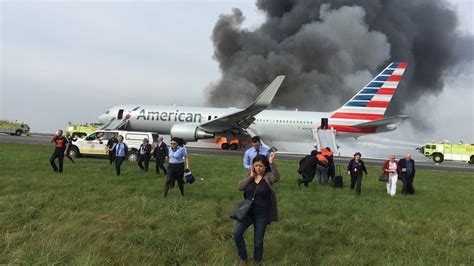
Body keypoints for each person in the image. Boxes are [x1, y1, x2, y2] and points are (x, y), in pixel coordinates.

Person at [234, 152, 279, 265]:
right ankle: (243, 257)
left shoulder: (268, 177)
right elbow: (240, 187)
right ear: (252, 166)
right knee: (237, 233)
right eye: (256, 165)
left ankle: (257, 261)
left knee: (258, 240)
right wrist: (250, 177)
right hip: (247, 212)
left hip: (261, 214)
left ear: (265, 167)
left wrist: (272, 163)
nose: (258, 168)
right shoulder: (250, 175)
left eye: (261, 166)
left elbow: (276, 177)